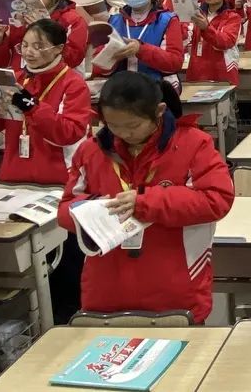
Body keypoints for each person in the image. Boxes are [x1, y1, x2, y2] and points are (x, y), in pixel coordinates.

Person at [59, 72, 234, 324]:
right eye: (113, 125)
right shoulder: (91, 150)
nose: (123, 134)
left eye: (133, 126)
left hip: (174, 287)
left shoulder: (193, 143)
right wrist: (96, 207)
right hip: (106, 289)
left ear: (159, 111)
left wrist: (145, 202)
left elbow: (216, 199)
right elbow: (64, 210)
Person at [0, 19, 92, 184]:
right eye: (24, 45)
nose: (28, 52)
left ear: (59, 48)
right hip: (13, 174)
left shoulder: (73, 84)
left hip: (56, 178)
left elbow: (70, 133)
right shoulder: (16, 79)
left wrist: (32, 108)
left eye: (38, 47)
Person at [97, 0, 184, 87]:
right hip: (121, 89)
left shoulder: (167, 20)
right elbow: (100, 68)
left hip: (155, 87)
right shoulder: (114, 20)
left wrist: (141, 49)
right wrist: (113, 57)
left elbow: (175, 63)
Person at [0, 0, 88, 69]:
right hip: (22, 76)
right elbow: (3, 63)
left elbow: (73, 59)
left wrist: (43, 30)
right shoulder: (21, 19)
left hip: (56, 76)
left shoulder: (73, 20)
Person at [186, 0, 243, 85]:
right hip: (197, 73)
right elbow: (186, 40)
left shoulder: (232, 17)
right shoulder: (197, 15)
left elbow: (226, 42)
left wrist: (206, 28)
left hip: (222, 75)